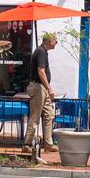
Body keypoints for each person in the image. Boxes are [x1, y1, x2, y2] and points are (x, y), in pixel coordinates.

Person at [24, 32, 58, 163]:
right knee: (35, 116)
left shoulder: (43, 51)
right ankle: (27, 144)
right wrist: (49, 87)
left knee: (49, 114)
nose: (56, 43)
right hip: (38, 87)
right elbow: (41, 71)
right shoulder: (41, 52)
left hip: (42, 87)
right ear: (49, 41)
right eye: (56, 41)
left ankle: (48, 143)